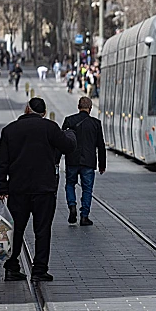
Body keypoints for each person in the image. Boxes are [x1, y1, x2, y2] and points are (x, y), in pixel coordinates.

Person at [0, 97, 76, 282]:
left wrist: (1, 187)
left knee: (15, 229)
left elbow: (2, 162)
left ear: (26, 109)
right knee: (42, 230)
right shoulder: (50, 128)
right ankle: (39, 270)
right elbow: (68, 146)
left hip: (18, 189)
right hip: (44, 189)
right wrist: (70, 134)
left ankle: (11, 266)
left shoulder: (9, 130)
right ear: (44, 113)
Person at [62, 97, 106, 226]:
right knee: (87, 189)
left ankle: (72, 205)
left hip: (72, 160)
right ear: (90, 108)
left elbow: (62, 140)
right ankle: (84, 216)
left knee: (70, 184)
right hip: (88, 161)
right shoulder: (96, 123)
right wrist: (102, 165)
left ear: (78, 106)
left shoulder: (69, 121)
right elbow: (101, 145)